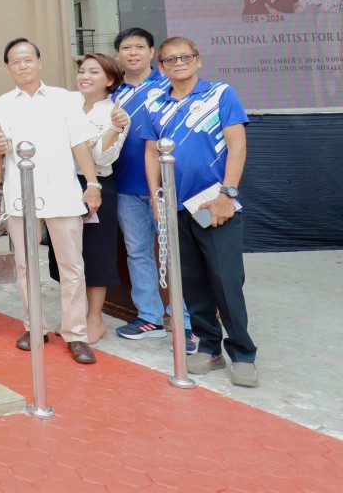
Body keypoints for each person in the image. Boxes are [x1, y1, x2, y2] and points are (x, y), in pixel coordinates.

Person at [140, 37, 257, 387]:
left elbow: (237, 145)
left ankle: (243, 354)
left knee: (225, 280)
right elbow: (150, 154)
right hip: (175, 207)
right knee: (191, 282)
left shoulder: (221, 94)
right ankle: (209, 347)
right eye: (169, 60)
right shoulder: (155, 103)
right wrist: (155, 198)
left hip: (215, 206)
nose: (178, 63)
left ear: (198, 60)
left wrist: (227, 195)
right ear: (161, 67)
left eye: (184, 57)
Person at [0, 38, 101, 365]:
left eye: (28, 59)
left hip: (63, 192)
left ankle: (76, 334)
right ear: (7, 67)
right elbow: (1, 147)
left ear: (39, 62)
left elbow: (80, 143)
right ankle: (33, 326)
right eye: (15, 61)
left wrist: (92, 182)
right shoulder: (2, 103)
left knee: (72, 267)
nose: (22, 65)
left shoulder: (65, 99)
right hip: (19, 195)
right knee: (25, 266)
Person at [110, 27, 193, 351]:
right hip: (127, 188)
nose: (133, 53)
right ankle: (150, 317)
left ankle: (184, 321)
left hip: (167, 189)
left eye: (139, 47)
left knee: (175, 254)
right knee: (138, 253)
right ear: (118, 55)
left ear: (151, 52)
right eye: (126, 48)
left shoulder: (168, 87)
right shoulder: (112, 93)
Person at [48, 53, 130, 344]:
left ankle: (94, 319)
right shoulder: (66, 103)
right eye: (82, 71)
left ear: (109, 80)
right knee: (65, 255)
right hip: (61, 182)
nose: (84, 76)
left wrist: (114, 129)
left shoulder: (116, 113)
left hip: (95, 185)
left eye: (94, 72)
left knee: (95, 253)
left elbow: (103, 157)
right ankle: (73, 314)